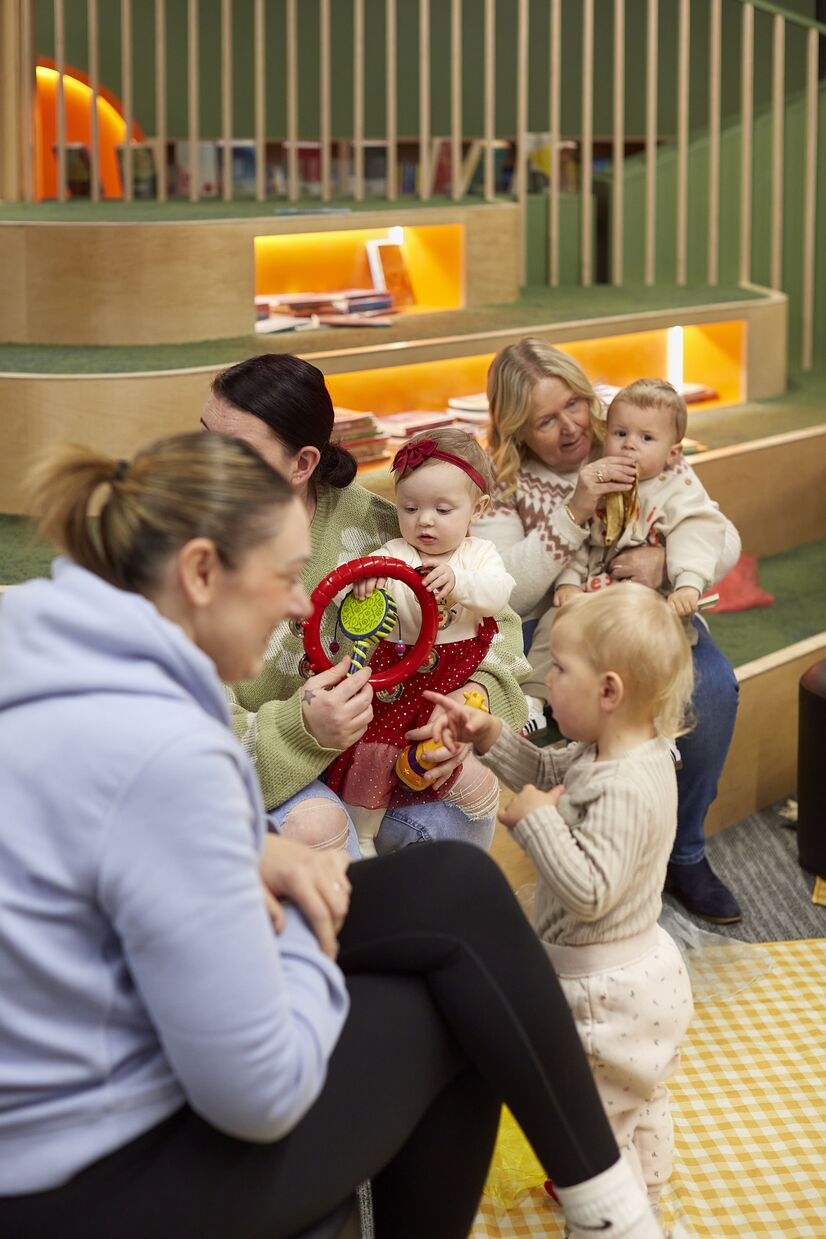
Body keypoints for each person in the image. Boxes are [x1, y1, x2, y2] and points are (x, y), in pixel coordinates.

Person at [0, 431, 674, 1239]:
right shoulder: (171, 752)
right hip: (88, 1174)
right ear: (202, 571)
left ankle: (607, 1208)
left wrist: (249, 850)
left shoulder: (31, 640)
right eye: (286, 576)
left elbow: (82, 826)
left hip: (66, 1080)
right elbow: (260, 1092)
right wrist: (303, 942)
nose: (299, 604)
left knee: (456, 891)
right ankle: (615, 1215)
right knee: (459, 1003)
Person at [426, 583, 696, 1210]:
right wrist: (491, 736)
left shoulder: (625, 786)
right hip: (639, 971)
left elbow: (590, 892)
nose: (546, 680)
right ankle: (652, 1178)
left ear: (608, 691)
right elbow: (553, 776)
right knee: (639, 1093)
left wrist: (534, 823)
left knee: (593, 1121)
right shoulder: (619, 748)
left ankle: (613, 1210)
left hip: (605, 992)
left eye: (559, 669)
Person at [200, 353, 529, 858]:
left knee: (472, 789)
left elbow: (498, 629)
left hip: (380, 748)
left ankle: (421, 934)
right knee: (318, 824)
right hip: (260, 759)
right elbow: (189, 728)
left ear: (303, 463)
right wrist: (302, 730)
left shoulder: (386, 527)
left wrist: (469, 705)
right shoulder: (185, 549)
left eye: (236, 450)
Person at [475, 338, 742, 924]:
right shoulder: (505, 482)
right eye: (546, 420)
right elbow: (507, 592)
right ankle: (590, 841)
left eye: (574, 403)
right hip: (554, 624)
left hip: (645, 612)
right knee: (566, 698)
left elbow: (720, 534)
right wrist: (572, 514)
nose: (571, 426)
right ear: (517, 428)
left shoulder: (635, 436)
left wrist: (664, 562)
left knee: (715, 689)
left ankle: (685, 851)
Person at [325, 428, 515, 857]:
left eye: (442, 509)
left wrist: (460, 582)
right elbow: (343, 587)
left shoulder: (478, 555)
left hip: (455, 673)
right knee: (374, 753)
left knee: (445, 746)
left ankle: (431, 788)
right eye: (410, 508)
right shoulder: (396, 552)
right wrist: (364, 582)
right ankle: (365, 833)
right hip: (400, 675)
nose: (424, 520)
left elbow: (498, 593)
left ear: (478, 509)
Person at [554, 378, 729, 619]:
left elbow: (697, 533)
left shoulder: (678, 489)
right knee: (554, 635)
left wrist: (688, 584)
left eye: (646, 438)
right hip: (592, 598)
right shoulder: (595, 482)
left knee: (657, 646)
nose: (629, 445)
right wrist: (568, 582)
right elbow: (576, 535)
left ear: (673, 454)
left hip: (653, 604)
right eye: (620, 433)